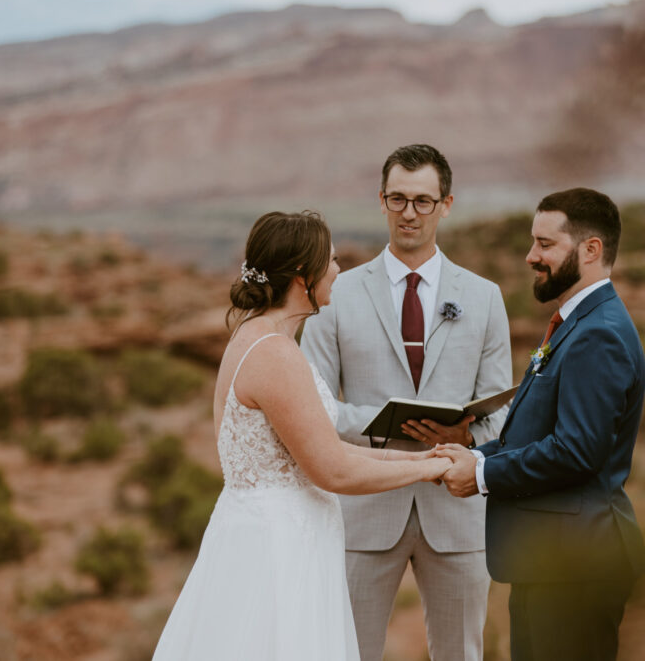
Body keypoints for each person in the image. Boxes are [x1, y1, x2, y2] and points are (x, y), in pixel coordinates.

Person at [152, 211, 453, 661]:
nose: (338, 270)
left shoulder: (260, 337)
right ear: (302, 276)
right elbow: (333, 469)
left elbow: (330, 450)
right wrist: (428, 472)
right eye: (330, 261)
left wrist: (425, 458)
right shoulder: (274, 354)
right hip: (277, 549)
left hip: (268, 532)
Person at [301, 144, 512, 661]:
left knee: (463, 653)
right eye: (398, 199)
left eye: (422, 201)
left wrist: (466, 436)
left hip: (457, 510)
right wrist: (388, 424)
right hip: (364, 512)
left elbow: (504, 411)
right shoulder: (336, 295)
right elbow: (314, 403)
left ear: (446, 204)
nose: (409, 213)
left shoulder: (485, 297)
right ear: (381, 201)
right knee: (346, 651)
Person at [431, 188, 645, 661]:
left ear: (590, 250)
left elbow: (577, 451)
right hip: (550, 561)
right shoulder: (576, 323)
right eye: (534, 242)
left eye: (546, 244)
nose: (532, 256)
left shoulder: (599, 334)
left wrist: (482, 476)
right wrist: (474, 454)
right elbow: (537, 435)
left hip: (577, 567)